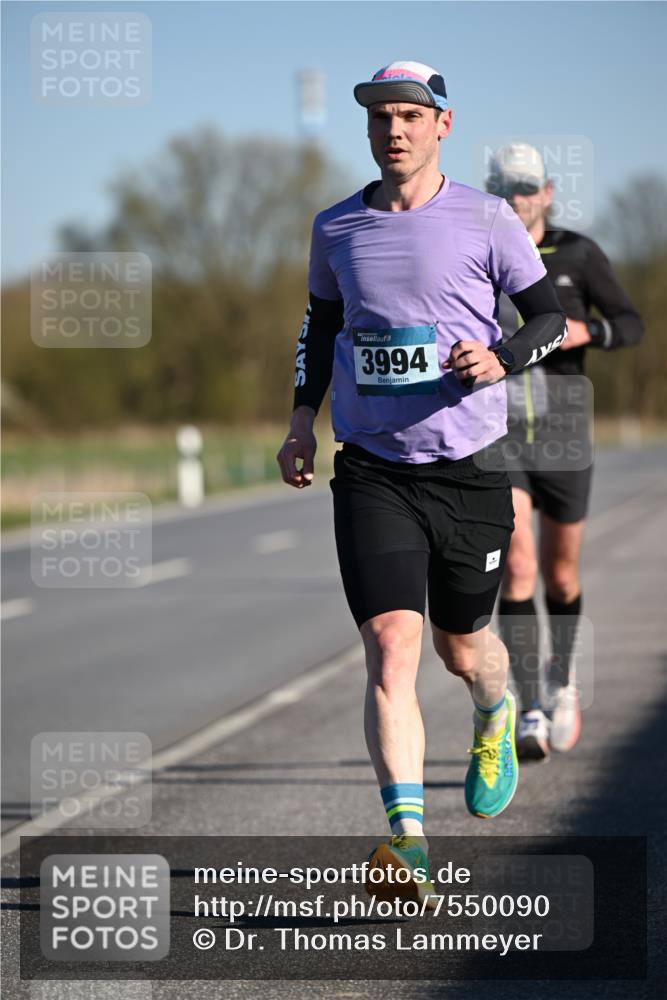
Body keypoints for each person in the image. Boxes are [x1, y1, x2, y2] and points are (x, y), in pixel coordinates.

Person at [277, 62, 566, 905]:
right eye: (380, 118)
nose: (393, 130)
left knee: (460, 649)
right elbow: (319, 326)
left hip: (469, 469)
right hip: (373, 469)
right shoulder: (335, 227)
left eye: (409, 115)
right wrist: (301, 417)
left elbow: (548, 317)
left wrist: (500, 357)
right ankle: (408, 842)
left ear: (442, 124)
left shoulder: (486, 218)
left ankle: (493, 711)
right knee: (391, 646)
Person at [486, 144, 644, 760]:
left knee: (560, 573)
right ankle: (528, 705)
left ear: (547, 193)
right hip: (501, 430)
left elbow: (630, 322)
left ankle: (563, 677)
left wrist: (588, 331)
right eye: (505, 187)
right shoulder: (481, 247)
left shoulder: (577, 252)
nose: (517, 198)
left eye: (527, 188)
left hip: (565, 430)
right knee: (518, 566)